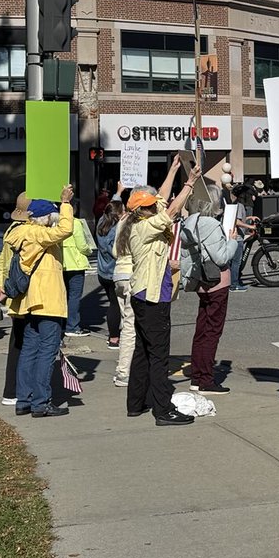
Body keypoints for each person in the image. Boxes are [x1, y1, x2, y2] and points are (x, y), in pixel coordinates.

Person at [117, 161, 199, 426]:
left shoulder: (140, 218)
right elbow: (172, 209)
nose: (156, 205)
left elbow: (164, 200)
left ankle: (136, 402)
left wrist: (174, 169)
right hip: (152, 297)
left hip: (143, 293)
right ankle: (163, 410)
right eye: (151, 204)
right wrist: (190, 183)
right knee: (158, 354)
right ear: (142, 210)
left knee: (142, 350)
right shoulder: (144, 226)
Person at [0, 187, 76, 418]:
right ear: (45, 219)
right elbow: (67, 228)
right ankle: (41, 401)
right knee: (47, 351)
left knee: (29, 350)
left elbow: (3, 265)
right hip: (47, 300)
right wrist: (66, 203)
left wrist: (3, 289)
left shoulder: (19, 232)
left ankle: (23, 399)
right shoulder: (37, 234)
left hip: (28, 301)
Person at [180, 196, 242, 395]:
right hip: (217, 281)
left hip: (200, 281)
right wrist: (232, 241)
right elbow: (221, 256)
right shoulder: (212, 225)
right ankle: (206, 379)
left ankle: (197, 376)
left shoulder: (189, 224)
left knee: (201, 330)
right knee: (212, 332)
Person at [62, 201, 95, 337]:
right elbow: (82, 245)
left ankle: (63, 324)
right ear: (74, 209)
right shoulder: (75, 223)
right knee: (74, 296)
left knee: (63, 295)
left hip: (61, 262)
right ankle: (73, 326)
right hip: (75, 263)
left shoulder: (57, 222)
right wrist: (89, 251)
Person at [96, 200, 125, 350]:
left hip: (102, 272)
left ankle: (114, 335)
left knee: (112, 303)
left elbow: (110, 208)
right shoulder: (117, 229)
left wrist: (118, 192)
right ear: (119, 215)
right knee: (116, 305)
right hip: (114, 272)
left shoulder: (102, 222)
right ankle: (114, 338)